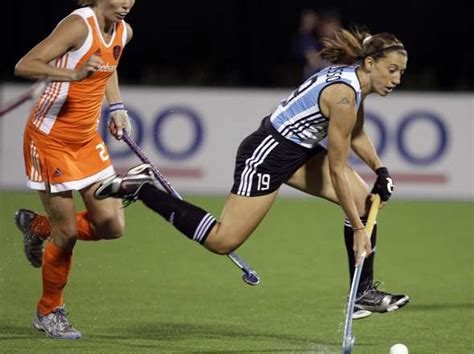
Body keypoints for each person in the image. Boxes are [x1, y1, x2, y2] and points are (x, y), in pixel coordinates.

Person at [96, 27, 410, 317]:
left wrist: (380, 170)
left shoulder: (355, 82)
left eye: (401, 72)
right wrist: (357, 229)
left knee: (364, 202)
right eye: (392, 70)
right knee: (222, 240)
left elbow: (355, 133)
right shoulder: (343, 96)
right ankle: (142, 189)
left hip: (297, 150)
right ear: (369, 63)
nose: (396, 79)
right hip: (267, 154)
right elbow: (338, 169)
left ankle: (362, 293)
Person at [13, 0, 135, 339]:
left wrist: (118, 108)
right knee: (65, 235)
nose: (126, 3)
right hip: (49, 139)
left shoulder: (124, 31)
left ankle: (36, 227)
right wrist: (73, 73)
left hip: (86, 141)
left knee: (111, 225)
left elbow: (108, 68)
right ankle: (48, 311)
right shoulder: (79, 25)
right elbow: (25, 65)